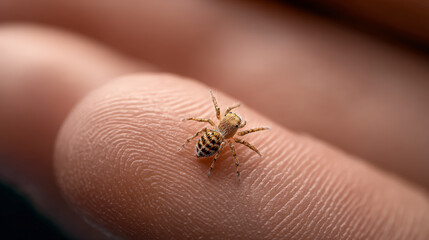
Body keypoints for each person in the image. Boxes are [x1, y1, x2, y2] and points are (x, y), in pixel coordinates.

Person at [0, 1, 428, 239]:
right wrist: (206, 148)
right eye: (232, 126)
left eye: (233, 127)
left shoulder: (225, 131)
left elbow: (230, 139)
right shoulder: (226, 133)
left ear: (225, 127)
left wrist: (212, 151)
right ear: (226, 126)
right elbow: (214, 127)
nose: (233, 127)